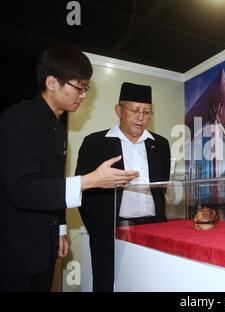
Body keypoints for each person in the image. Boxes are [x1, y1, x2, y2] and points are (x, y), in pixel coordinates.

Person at [0, 46, 140, 292]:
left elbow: (54, 182)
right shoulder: (18, 118)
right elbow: (22, 189)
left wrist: (61, 230)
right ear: (52, 82)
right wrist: (90, 181)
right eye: (80, 87)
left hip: (46, 245)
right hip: (16, 248)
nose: (84, 95)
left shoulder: (58, 127)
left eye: (86, 88)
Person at [75, 82, 171, 292]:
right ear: (119, 110)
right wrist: (98, 226)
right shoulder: (95, 143)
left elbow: (162, 185)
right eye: (135, 110)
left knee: (152, 282)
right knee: (107, 282)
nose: (141, 117)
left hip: (153, 227)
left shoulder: (161, 145)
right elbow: (80, 190)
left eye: (146, 112)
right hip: (111, 229)